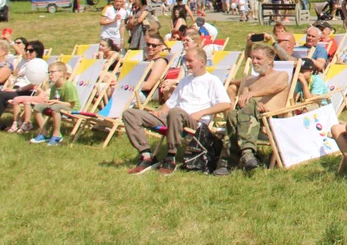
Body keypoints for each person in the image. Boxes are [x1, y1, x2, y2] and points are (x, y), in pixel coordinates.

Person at [124, 45, 232, 176]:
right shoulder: (184, 81)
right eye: (186, 60)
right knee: (130, 114)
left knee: (176, 112)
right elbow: (171, 103)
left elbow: (226, 104)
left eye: (190, 61)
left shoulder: (212, 81)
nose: (186, 64)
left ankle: (170, 156)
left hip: (193, 122)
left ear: (202, 62)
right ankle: (147, 156)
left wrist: (201, 113)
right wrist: (160, 112)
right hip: (172, 117)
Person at [214, 44, 291, 175]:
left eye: (258, 58)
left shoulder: (281, 75)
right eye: (253, 58)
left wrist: (253, 96)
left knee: (246, 107)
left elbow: (275, 88)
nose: (254, 61)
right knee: (233, 113)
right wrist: (252, 103)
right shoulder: (250, 81)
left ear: (270, 60)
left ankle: (227, 163)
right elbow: (242, 102)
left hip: (271, 120)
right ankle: (247, 153)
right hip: (250, 120)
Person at [26, 62, 79, 145]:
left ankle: (57, 135)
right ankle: (44, 133)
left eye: (52, 72)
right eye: (49, 73)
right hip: (57, 107)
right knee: (37, 107)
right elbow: (53, 101)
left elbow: (71, 104)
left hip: (71, 109)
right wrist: (48, 102)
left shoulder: (68, 86)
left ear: (61, 73)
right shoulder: (54, 87)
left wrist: (57, 102)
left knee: (55, 107)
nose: (50, 75)